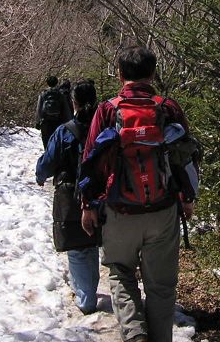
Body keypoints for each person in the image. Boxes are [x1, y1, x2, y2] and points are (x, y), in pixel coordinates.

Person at [81, 45, 195, 342]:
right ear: (153, 73)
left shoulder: (107, 110)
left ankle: (135, 335)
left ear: (119, 74)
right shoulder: (167, 107)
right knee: (161, 285)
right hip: (163, 209)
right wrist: (187, 198)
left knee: (120, 273)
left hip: (120, 211)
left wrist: (88, 205)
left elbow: (90, 159)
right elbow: (187, 156)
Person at [36, 79, 101, 315]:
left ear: (73, 102)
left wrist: (40, 174)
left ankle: (86, 299)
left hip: (70, 193)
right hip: (99, 194)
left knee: (77, 247)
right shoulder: (103, 128)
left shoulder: (65, 131)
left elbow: (48, 162)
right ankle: (90, 290)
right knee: (92, 243)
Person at [35, 75, 72, 149]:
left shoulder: (43, 94)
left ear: (47, 83)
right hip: (58, 122)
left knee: (46, 142)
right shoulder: (61, 95)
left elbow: (39, 109)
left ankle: (47, 157)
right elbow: (66, 110)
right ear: (57, 83)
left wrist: (37, 121)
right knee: (57, 142)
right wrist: (69, 123)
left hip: (46, 122)